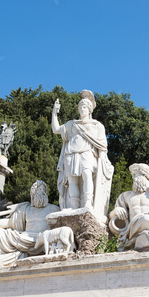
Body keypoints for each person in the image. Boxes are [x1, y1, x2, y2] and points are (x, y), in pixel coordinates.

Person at [51, 90, 114, 218]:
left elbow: (102, 146)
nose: (82, 109)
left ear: (90, 109)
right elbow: (56, 129)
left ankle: (88, 203)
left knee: (87, 176)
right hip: (71, 153)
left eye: (84, 107)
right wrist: (54, 113)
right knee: (72, 180)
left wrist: (102, 161)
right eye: (80, 107)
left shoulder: (97, 126)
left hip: (87, 152)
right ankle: (74, 206)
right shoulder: (72, 124)